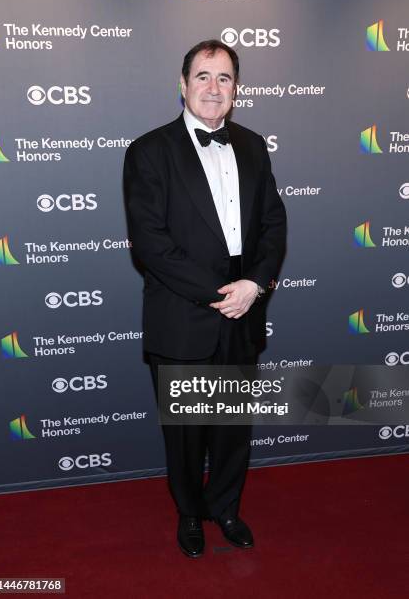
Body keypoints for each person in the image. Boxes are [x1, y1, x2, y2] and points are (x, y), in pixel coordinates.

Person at [124, 39, 286, 558]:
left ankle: (227, 509)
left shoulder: (255, 146)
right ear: (183, 84)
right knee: (188, 434)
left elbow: (273, 225)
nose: (213, 89)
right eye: (203, 76)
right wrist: (223, 294)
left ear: (237, 89)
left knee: (233, 427)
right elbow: (153, 246)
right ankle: (189, 513)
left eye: (224, 79)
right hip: (184, 314)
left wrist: (254, 285)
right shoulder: (149, 151)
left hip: (244, 310)